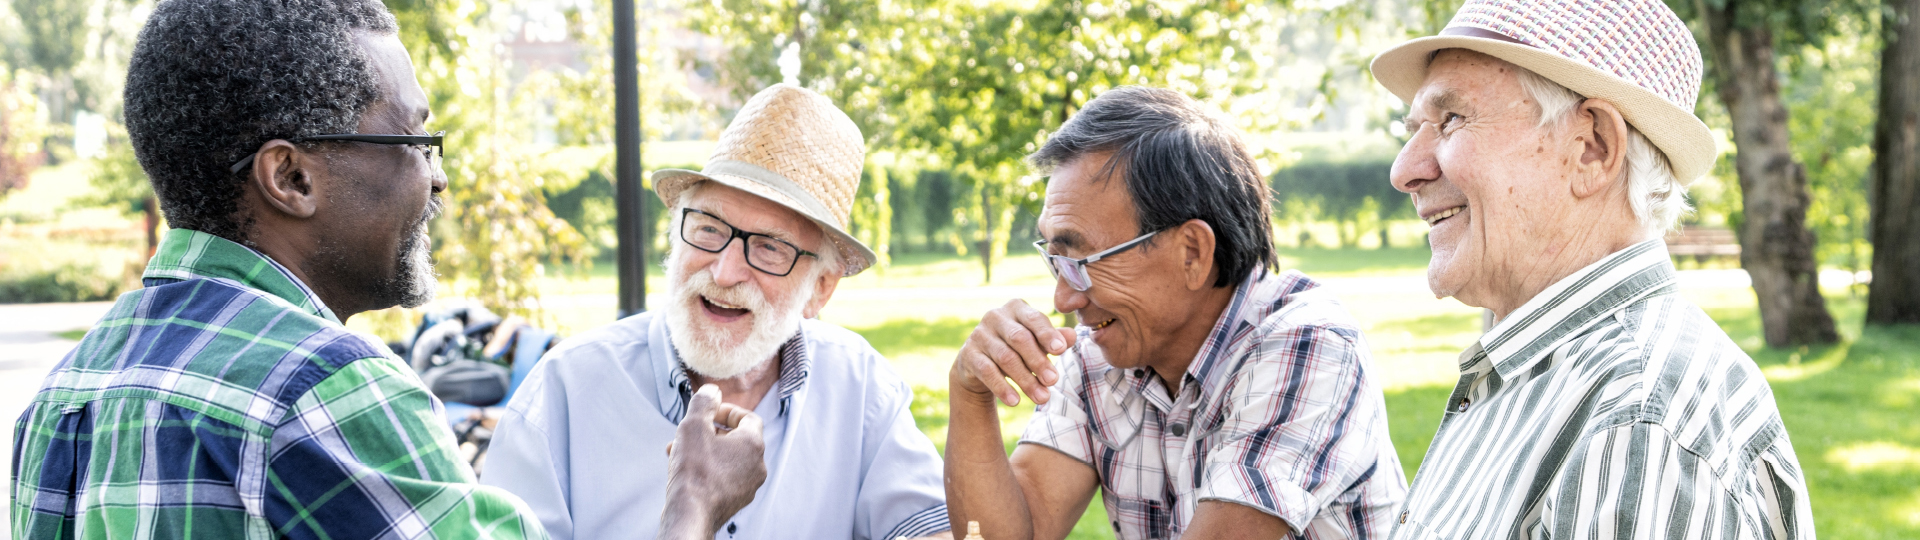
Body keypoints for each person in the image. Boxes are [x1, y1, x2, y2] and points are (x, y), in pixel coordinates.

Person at [7, 0, 763, 537]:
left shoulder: (67, 393)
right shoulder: (324, 392)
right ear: (291, 179)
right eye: (413, 140)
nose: (437, 179)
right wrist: (692, 503)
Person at [1366, 0, 1815, 537]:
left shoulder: (1633, 422)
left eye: (1451, 119)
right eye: (1413, 128)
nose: (1404, 171)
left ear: (1592, 148)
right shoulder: (1556, 373)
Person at [481, 84, 952, 540]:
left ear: (820, 289)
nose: (725, 272)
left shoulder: (862, 388)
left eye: (770, 248)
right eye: (708, 229)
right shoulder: (565, 391)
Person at [944, 86, 1407, 540]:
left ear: (1192, 253)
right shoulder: (1099, 356)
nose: (1064, 299)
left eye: (1081, 262)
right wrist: (969, 390)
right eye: (1056, 261)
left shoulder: (1307, 345)